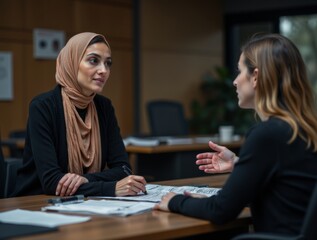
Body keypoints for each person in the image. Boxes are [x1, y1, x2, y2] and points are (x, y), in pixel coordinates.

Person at [154, 33, 317, 235]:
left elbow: (221, 212)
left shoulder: (267, 135)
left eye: (239, 71)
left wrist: (175, 201)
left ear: (255, 77)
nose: (234, 81)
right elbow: (286, 194)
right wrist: (240, 165)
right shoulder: (303, 130)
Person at [11, 32, 147, 197]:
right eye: (93, 60)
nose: (103, 70)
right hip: (36, 204)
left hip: (84, 204)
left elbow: (124, 170)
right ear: (72, 62)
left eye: (108, 63)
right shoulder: (43, 107)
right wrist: (110, 188)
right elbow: (52, 182)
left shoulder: (104, 107)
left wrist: (85, 180)